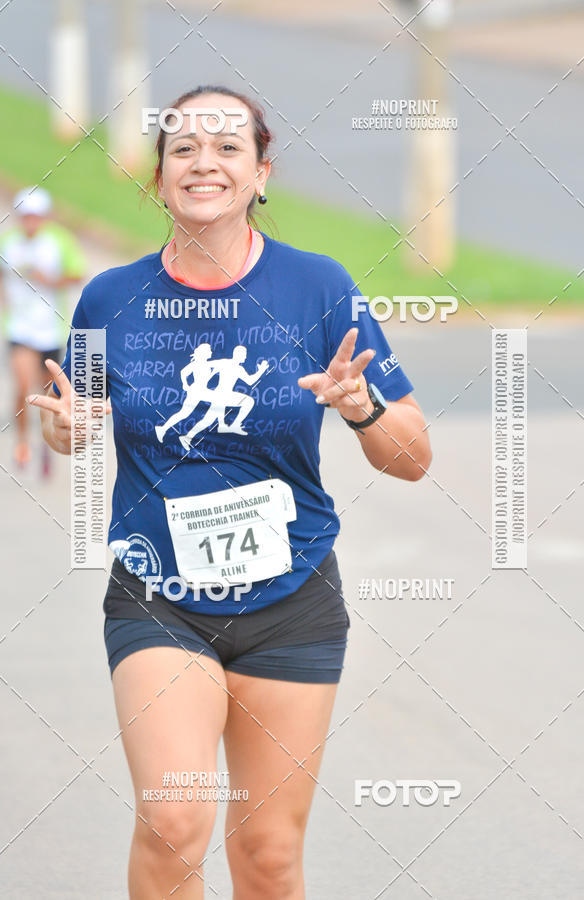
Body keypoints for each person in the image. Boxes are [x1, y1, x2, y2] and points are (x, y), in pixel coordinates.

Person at [31, 85, 432, 899]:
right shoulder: (111, 299)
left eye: (227, 148)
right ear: (159, 177)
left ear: (260, 174)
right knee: (175, 822)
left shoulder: (319, 290)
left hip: (293, 601)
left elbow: (412, 457)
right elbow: (69, 414)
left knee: (270, 857)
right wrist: (63, 433)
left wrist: (362, 408)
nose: (204, 162)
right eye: (183, 148)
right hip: (160, 598)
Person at [0, 187, 85, 474]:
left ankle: (46, 445)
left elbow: (77, 275)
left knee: (49, 396)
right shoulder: (7, 242)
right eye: (25, 216)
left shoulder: (59, 241)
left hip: (50, 330)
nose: (30, 223)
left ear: (45, 217)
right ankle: (22, 442)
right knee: (23, 387)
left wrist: (49, 279)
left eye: (35, 217)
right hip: (19, 328)